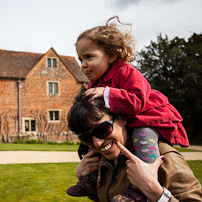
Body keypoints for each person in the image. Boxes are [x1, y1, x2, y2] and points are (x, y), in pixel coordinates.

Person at [66, 16, 189, 201]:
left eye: (89, 57)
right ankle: (90, 180)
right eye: (80, 59)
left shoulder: (126, 72)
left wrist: (106, 93)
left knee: (143, 140)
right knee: (90, 142)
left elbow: (138, 101)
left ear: (111, 55)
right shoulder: (94, 84)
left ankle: (139, 189)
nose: (83, 64)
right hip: (130, 119)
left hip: (146, 117)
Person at [67, 89, 202, 202]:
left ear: (121, 118)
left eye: (102, 129)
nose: (97, 143)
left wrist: (156, 193)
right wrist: (86, 180)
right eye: (86, 137)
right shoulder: (102, 160)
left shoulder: (163, 158)